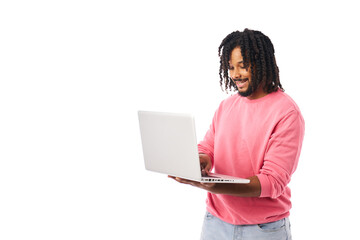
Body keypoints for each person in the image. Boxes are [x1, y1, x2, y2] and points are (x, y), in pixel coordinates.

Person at [169, 28, 305, 240]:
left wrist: (215, 185)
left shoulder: (286, 112)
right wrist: (200, 161)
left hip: (263, 230)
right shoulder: (226, 106)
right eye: (230, 67)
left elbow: (273, 181)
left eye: (243, 66)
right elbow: (208, 147)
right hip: (215, 223)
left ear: (263, 63)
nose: (235, 75)